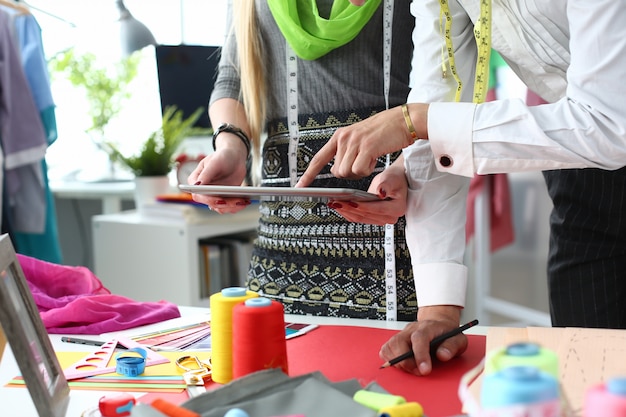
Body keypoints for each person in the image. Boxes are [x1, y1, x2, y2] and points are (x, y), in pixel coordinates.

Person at [297, 0, 626, 374]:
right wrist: (438, 310)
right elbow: (435, 113)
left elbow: (610, 121)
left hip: (599, 132)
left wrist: (418, 121)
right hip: (579, 169)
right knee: (588, 375)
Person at [188, 0, 450, 326]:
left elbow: (445, 83)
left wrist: (406, 166)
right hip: (282, 245)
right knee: (271, 369)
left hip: (393, 218)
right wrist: (230, 146)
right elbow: (233, 76)